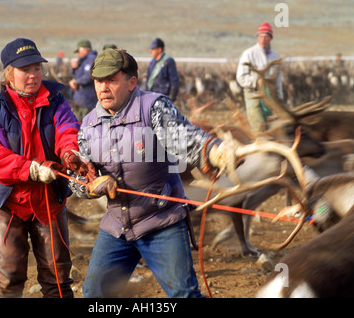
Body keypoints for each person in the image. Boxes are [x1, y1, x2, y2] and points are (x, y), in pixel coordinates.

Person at [68, 48, 234, 298]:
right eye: (98, 81)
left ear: (132, 82)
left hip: (161, 221)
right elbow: (78, 178)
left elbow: (185, 139)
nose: (103, 88)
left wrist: (214, 151)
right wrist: (91, 186)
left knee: (183, 294)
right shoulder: (88, 125)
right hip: (117, 227)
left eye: (111, 80)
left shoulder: (154, 107)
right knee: (94, 294)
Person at [0, 38, 96, 298]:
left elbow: (67, 130)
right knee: (9, 278)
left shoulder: (56, 101)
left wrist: (70, 153)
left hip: (47, 198)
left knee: (58, 277)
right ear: (9, 73)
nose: (33, 75)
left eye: (37, 68)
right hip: (7, 201)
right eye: (25, 70)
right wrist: (31, 169)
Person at [236, 22, 283, 132]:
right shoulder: (249, 54)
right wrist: (257, 82)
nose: (263, 39)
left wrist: (280, 97)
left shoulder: (275, 56)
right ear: (257, 37)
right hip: (253, 95)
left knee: (274, 128)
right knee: (259, 128)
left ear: (270, 38)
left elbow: (278, 80)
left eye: (266, 36)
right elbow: (241, 77)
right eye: (261, 36)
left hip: (270, 97)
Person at [69, 39, 98, 121]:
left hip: (88, 100)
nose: (78, 54)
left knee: (86, 124)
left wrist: (76, 82)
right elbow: (77, 74)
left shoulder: (91, 59)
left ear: (84, 49)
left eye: (79, 51)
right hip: (80, 100)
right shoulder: (82, 61)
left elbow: (89, 76)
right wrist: (73, 68)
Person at [145, 38, 180, 102]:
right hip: (152, 97)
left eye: (153, 49)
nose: (150, 51)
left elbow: (174, 81)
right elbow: (148, 79)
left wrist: (171, 97)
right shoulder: (152, 63)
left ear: (159, 49)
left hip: (164, 97)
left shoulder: (169, 61)